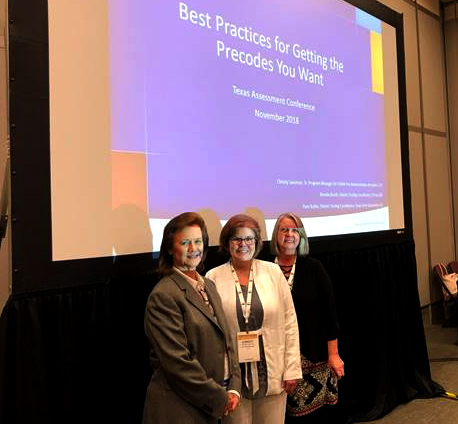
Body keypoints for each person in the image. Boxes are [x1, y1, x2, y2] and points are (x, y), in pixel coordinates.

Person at [142, 212, 241, 424]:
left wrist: (234, 387)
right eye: (185, 242)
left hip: (212, 406)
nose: (193, 249)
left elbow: (227, 341)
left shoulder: (209, 286)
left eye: (197, 241)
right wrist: (219, 398)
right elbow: (178, 364)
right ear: (170, 248)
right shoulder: (163, 295)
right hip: (179, 411)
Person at [206, 214, 301, 424]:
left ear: (257, 242)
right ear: (227, 243)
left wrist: (292, 368)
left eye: (248, 239)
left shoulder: (273, 272)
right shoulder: (213, 278)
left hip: (273, 372)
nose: (243, 245)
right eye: (236, 239)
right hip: (233, 378)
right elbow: (212, 333)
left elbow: (290, 322)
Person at [270, 212, 344, 423]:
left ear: (301, 236)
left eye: (295, 230)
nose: (290, 234)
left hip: (315, 357)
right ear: (276, 235)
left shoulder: (314, 267)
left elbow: (330, 313)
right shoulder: (265, 269)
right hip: (278, 359)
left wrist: (334, 354)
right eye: (284, 229)